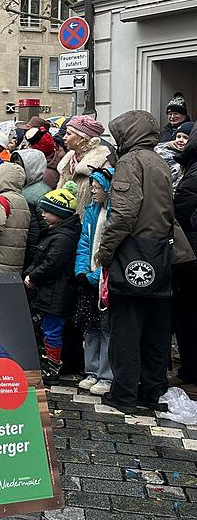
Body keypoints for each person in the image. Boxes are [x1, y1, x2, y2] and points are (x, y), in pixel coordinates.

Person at [96, 110, 191, 414]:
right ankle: (151, 392)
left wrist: (105, 251)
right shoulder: (160, 161)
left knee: (126, 329)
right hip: (162, 253)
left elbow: (123, 214)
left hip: (134, 253)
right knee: (156, 331)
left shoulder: (129, 162)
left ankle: (123, 394)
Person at [23, 188, 81, 380]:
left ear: (59, 213)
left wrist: (33, 277)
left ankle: (53, 366)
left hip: (57, 293)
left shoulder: (63, 238)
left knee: (52, 330)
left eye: (47, 211)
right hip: (51, 292)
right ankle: (50, 362)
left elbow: (51, 263)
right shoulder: (57, 233)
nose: (43, 214)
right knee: (48, 329)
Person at [75, 168, 115, 396]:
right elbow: (84, 243)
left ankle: (106, 374)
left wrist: (96, 274)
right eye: (93, 187)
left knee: (106, 327)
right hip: (89, 276)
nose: (93, 191)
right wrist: (81, 270)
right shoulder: (91, 211)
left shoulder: (112, 214)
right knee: (90, 327)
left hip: (103, 279)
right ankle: (91, 370)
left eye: (98, 187)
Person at [172, 134, 197, 386]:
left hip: (191, 254)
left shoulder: (192, 175)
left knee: (188, 315)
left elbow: (181, 211)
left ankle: (190, 370)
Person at [57, 116, 111, 218]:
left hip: (86, 223)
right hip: (66, 222)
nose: (64, 137)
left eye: (68, 134)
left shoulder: (101, 163)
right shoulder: (69, 160)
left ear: (82, 138)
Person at [155, 121, 193, 189]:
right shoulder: (162, 151)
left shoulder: (190, 157)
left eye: (185, 138)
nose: (180, 140)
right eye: (178, 136)